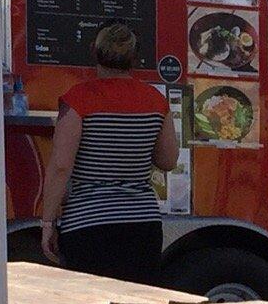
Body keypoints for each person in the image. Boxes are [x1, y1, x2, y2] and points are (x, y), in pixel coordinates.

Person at [39, 22, 177, 282]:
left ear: (94, 51)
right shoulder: (156, 101)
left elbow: (60, 167)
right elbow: (168, 161)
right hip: (142, 226)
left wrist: (47, 224)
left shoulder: (77, 100)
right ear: (134, 58)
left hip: (89, 226)